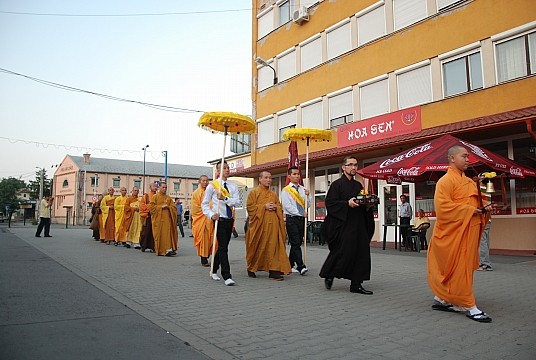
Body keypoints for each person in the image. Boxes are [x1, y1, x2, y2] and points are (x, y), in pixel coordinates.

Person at [427, 145, 493, 323]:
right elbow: (443, 209)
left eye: (468, 156)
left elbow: (476, 200)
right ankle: (469, 305)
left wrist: (485, 207)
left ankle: (442, 298)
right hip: (453, 234)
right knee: (458, 268)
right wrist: (469, 210)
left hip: (467, 231)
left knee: (463, 268)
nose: (468, 159)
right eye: (464, 156)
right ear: (452, 158)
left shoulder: (470, 182)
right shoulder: (445, 181)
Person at [319, 156, 375, 295]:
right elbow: (330, 204)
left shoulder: (358, 186)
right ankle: (330, 274)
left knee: (361, 253)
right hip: (343, 225)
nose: (353, 167)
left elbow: (362, 203)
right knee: (342, 252)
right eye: (350, 165)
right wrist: (346, 204)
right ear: (343, 167)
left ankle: (356, 284)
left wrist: (368, 205)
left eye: (355, 165)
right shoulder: (337, 185)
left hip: (359, 224)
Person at [246, 171, 291, 281]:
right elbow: (250, 208)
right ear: (260, 179)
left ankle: (274, 271)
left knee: (274, 247)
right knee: (258, 247)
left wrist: (276, 207)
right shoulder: (254, 193)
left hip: (273, 227)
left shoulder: (273, 194)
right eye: (266, 178)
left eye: (270, 178)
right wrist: (263, 206)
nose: (269, 180)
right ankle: (252, 267)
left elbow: (280, 207)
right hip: (259, 227)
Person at [202, 160, 240, 286]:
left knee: (223, 246)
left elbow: (237, 202)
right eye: (224, 168)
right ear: (218, 171)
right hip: (219, 220)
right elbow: (204, 204)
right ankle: (227, 275)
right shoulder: (212, 186)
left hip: (230, 220)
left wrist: (224, 198)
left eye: (228, 168)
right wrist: (212, 214)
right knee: (223, 246)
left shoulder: (233, 186)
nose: (227, 170)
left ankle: (213, 269)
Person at [281, 166, 311, 275]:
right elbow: (287, 206)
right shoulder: (286, 190)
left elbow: (309, 204)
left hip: (301, 220)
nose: (297, 176)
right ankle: (300, 265)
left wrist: (309, 196)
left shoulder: (303, 189)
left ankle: (289, 264)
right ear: (289, 176)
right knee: (295, 242)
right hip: (291, 219)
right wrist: (300, 213)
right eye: (294, 174)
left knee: (297, 243)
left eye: (298, 174)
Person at [191, 175, 214, 266]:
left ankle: (211, 256)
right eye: (203, 181)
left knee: (212, 239)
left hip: (211, 219)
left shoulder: (211, 191)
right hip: (202, 220)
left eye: (207, 181)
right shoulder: (196, 193)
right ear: (199, 182)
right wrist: (207, 210)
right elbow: (195, 208)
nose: (205, 182)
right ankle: (203, 259)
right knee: (203, 240)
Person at [150, 183, 178, 256]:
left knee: (168, 234)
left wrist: (169, 207)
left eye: (166, 187)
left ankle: (168, 249)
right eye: (163, 187)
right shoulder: (155, 197)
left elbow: (174, 208)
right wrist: (161, 207)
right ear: (159, 188)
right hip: (158, 220)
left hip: (167, 220)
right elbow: (151, 208)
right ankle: (160, 250)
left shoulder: (168, 198)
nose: (164, 189)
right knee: (159, 235)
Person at [139, 182, 157, 252]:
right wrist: (150, 207)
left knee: (154, 232)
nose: (155, 187)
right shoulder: (146, 196)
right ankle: (143, 246)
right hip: (148, 215)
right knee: (145, 231)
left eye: (156, 186)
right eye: (153, 186)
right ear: (150, 187)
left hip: (155, 215)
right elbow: (141, 205)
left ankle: (153, 246)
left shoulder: (158, 196)